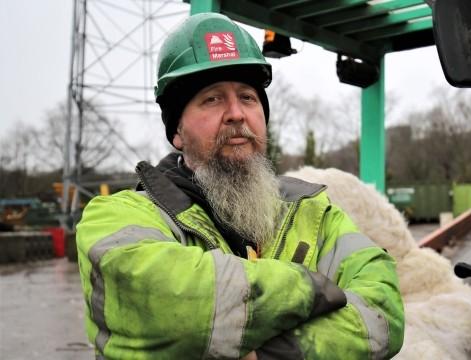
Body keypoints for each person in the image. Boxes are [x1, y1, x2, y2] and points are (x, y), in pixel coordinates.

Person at [76, 12, 404, 359]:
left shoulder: (315, 213)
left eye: (247, 97)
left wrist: (263, 355)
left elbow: (382, 316)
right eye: (212, 99)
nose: (236, 113)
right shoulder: (117, 217)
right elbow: (163, 307)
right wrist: (312, 288)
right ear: (176, 132)